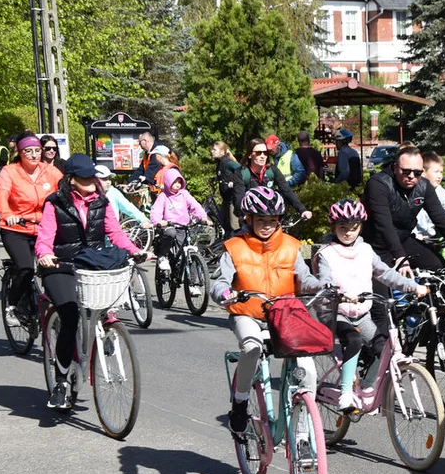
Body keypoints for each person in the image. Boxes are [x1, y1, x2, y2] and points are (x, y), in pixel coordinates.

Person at [212, 187, 325, 440]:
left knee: (308, 369)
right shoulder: (234, 247)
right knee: (251, 348)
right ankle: (240, 403)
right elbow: (220, 282)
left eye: (272, 221)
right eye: (260, 220)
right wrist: (224, 294)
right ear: (248, 219)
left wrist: (321, 285)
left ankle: (304, 433)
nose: (266, 226)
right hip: (247, 312)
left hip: (285, 313)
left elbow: (304, 278)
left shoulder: (292, 246)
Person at [35, 154, 145, 409]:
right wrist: (44, 254)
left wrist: (134, 250)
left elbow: (115, 232)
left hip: (91, 265)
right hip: (60, 266)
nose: (91, 183)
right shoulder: (55, 203)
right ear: (71, 180)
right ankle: (61, 381)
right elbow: (45, 235)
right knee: (71, 315)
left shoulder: (102, 202)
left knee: (107, 305)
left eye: (92, 178)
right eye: (84, 178)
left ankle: (103, 339)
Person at [313, 199, 427, 410]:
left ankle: (366, 387)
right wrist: (339, 293)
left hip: (361, 312)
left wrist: (411, 286)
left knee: (384, 349)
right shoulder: (326, 254)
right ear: (333, 227)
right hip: (335, 312)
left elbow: (385, 273)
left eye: (353, 228)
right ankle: (345, 394)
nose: (348, 232)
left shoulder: (366, 250)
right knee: (354, 340)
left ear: (360, 227)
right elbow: (325, 280)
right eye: (342, 228)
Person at [362, 145, 445, 276]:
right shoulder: (379, 184)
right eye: (406, 171)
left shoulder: (424, 186)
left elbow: (440, 218)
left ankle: (435, 295)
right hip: (376, 244)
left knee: (438, 266)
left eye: (417, 173)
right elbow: (384, 224)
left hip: (403, 239)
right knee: (389, 285)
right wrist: (401, 257)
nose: (412, 176)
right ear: (396, 167)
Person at [0, 132, 63, 323]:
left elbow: (66, 192)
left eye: (37, 151)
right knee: (25, 268)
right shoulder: (10, 171)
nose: (34, 155)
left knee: (57, 266)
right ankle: (13, 304)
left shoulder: (51, 171)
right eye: (28, 151)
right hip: (16, 228)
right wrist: (7, 214)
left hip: (44, 228)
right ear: (20, 153)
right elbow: (1, 194)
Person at [149, 162, 211, 273]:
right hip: (169, 226)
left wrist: (202, 217)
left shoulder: (184, 194)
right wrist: (158, 221)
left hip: (183, 227)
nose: (177, 184)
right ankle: (163, 256)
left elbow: (195, 206)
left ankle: (194, 284)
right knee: (170, 234)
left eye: (179, 182)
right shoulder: (163, 196)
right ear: (168, 182)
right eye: (174, 182)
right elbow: (156, 211)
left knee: (190, 252)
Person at [232, 138, 312, 222]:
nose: (263, 156)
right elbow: (239, 198)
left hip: (271, 216)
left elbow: (286, 190)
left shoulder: (272, 170)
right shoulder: (241, 173)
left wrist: (302, 210)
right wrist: (244, 215)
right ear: (249, 155)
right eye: (258, 153)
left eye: (265, 153)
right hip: (251, 218)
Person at [210, 141, 241, 236]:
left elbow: (240, 168)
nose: (212, 151)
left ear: (222, 152)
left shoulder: (227, 162)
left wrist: (234, 180)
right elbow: (224, 175)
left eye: (214, 149)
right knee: (223, 222)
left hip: (232, 199)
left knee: (234, 226)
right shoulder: (220, 163)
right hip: (226, 199)